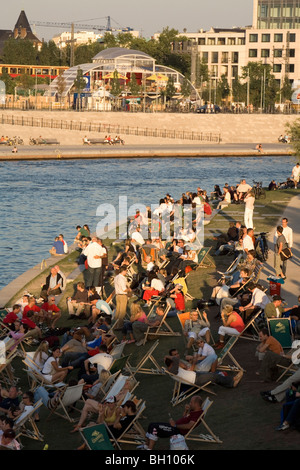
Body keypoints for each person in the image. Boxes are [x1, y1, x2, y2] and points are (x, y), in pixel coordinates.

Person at [139, 395, 204, 450]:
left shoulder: (197, 414)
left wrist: (175, 425)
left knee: (154, 428)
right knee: (151, 424)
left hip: (177, 431)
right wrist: (186, 410)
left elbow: (189, 426)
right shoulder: (193, 410)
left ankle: (149, 449)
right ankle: (146, 445)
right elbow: (185, 417)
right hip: (175, 427)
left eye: (191, 402)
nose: (190, 403)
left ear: (196, 404)